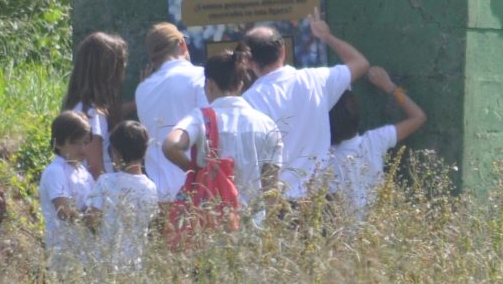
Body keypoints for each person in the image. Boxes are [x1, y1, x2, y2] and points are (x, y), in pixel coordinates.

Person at [242, 14, 372, 202]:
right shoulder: (316, 80)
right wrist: (326, 36)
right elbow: (361, 63)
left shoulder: (249, 102)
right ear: (283, 50)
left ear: (249, 62)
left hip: (279, 204)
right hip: (322, 198)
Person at [162, 46, 283, 224]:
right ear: (241, 85)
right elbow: (271, 190)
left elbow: (170, 146)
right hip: (254, 227)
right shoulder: (267, 125)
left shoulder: (200, 118)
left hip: (212, 227)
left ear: (209, 85)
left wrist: (195, 172)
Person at [326, 66, 425, 214]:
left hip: (345, 235)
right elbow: (418, 117)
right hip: (378, 230)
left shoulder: (324, 160)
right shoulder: (374, 141)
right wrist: (390, 87)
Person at [133, 23, 207, 203]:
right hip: (197, 192)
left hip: (160, 199)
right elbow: (210, 130)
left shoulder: (142, 89)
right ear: (182, 44)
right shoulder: (201, 76)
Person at [87, 121, 159, 274]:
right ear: (145, 151)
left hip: (104, 261)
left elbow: (93, 219)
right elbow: (149, 221)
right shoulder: (151, 187)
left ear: (116, 152)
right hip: (134, 263)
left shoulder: (105, 181)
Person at [62, 32, 129, 179]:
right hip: (99, 195)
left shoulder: (82, 106)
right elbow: (95, 168)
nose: (123, 74)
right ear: (108, 71)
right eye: (121, 67)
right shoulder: (92, 114)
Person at [39, 111, 97, 270]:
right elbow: (64, 211)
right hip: (63, 255)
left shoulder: (84, 174)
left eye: (86, 142)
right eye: (75, 143)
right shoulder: (55, 171)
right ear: (58, 143)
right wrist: (91, 220)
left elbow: (94, 207)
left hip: (85, 253)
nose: (82, 149)